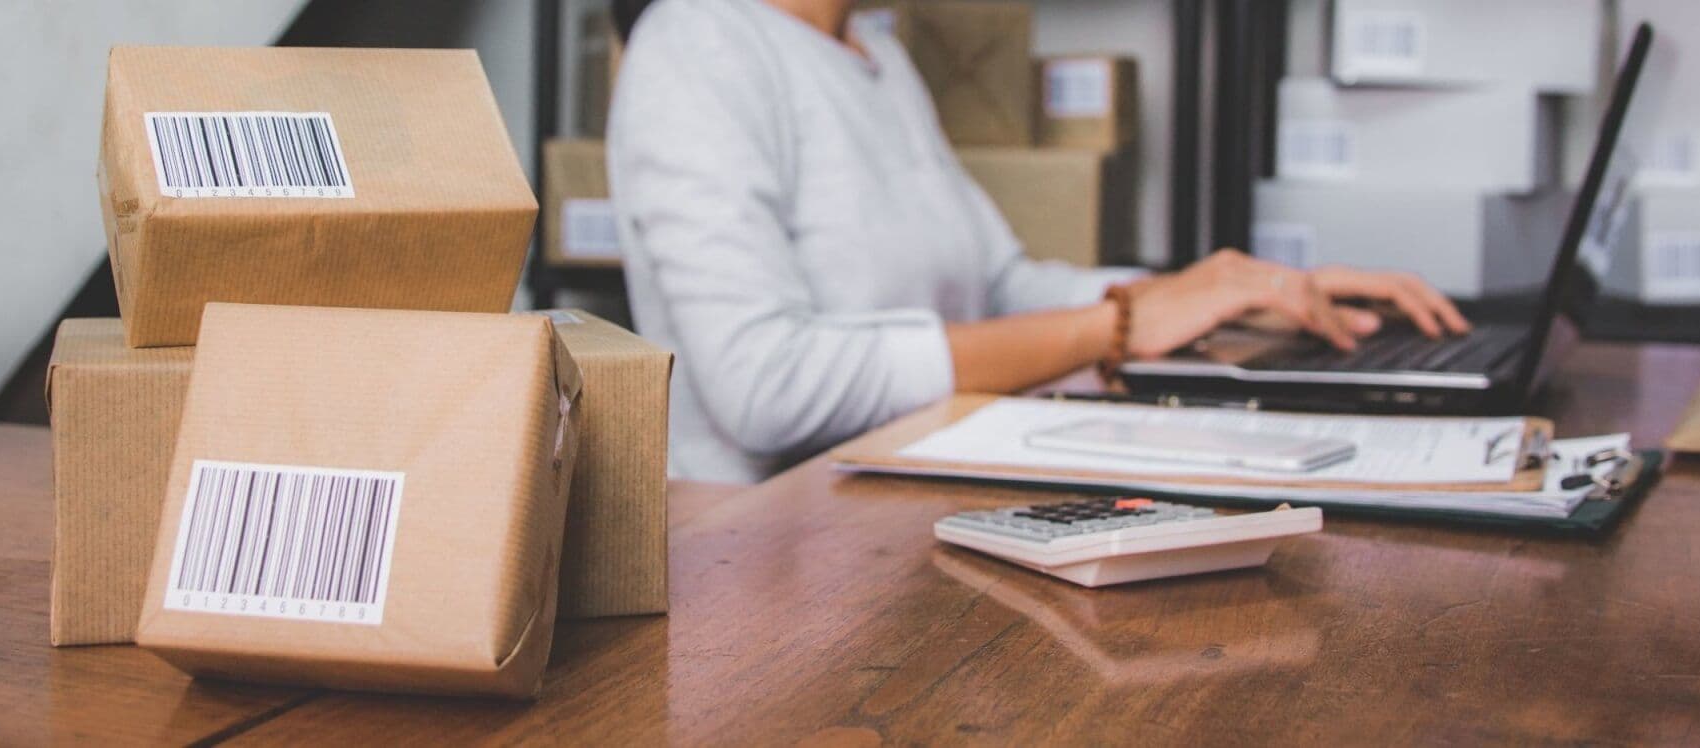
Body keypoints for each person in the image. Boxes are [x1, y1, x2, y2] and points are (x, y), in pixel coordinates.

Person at [607, 0, 1470, 483]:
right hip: (776, 565)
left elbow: (1002, 285)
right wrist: (1118, 325)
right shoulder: (693, 44)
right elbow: (766, 386)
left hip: (912, 502)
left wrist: (1232, 288)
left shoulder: (875, 55)